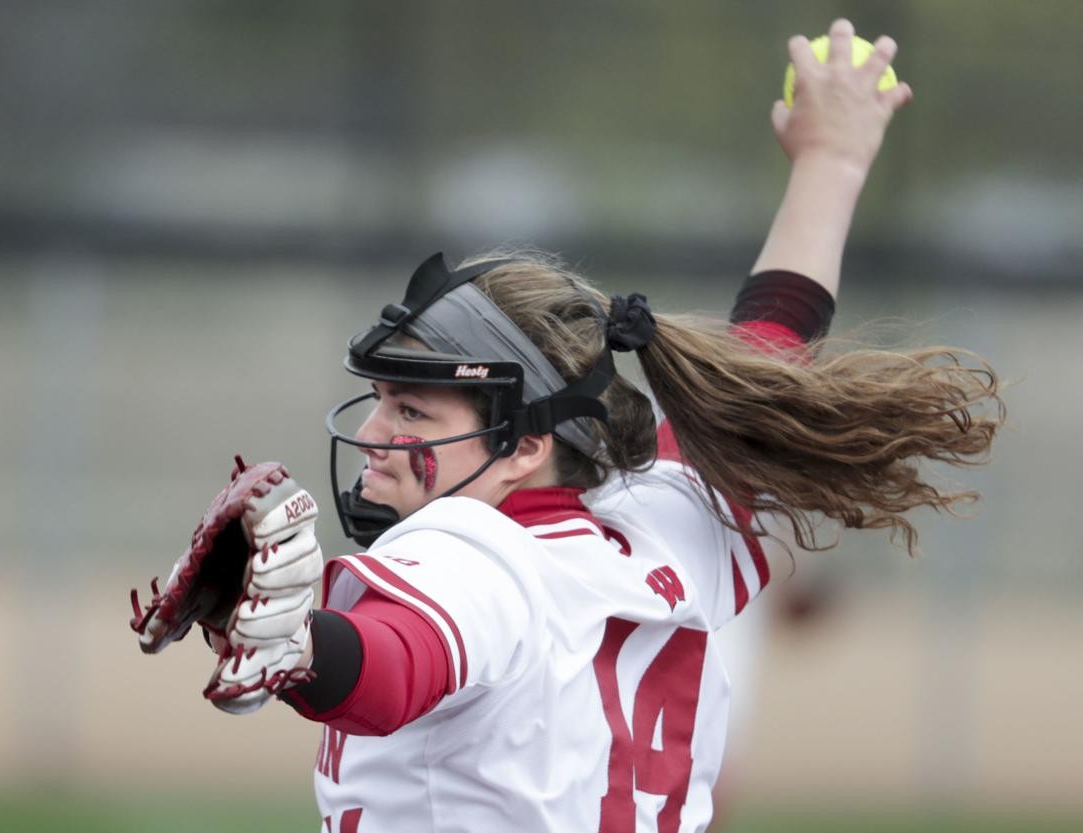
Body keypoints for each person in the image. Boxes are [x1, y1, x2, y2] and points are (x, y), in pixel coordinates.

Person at [132, 19, 1001, 833]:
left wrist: (302, 648)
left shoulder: (470, 553)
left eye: (413, 409)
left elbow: (389, 669)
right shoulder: (670, 524)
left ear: (526, 443)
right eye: (384, 401)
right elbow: (769, 350)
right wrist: (834, 160)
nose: (377, 434)